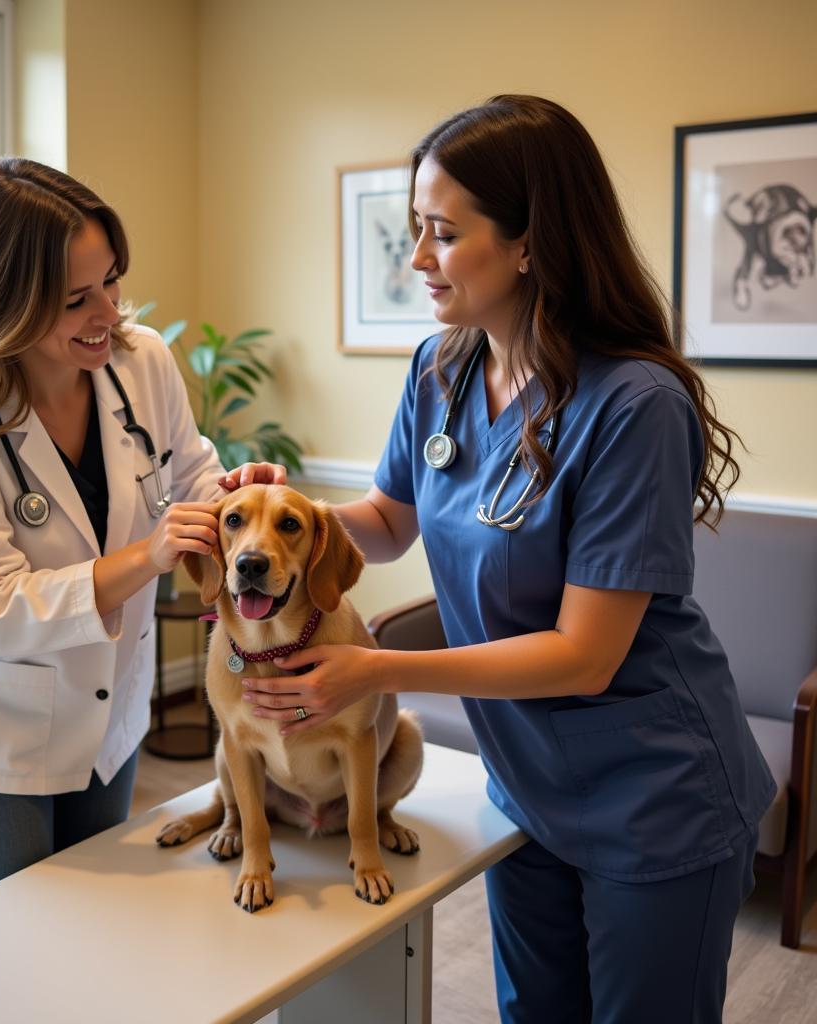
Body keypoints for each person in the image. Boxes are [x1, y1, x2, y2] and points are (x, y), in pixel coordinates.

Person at [236, 96, 776, 1023]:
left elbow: (584, 654)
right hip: (526, 781)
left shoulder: (632, 405)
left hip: (654, 792)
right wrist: (283, 522)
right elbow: (388, 520)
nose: (416, 259)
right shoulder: (441, 370)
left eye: (443, 233)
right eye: (416, 230)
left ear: (531, 243)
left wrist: (372, 670)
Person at [0, 158, 283, 902]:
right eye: (77, 299)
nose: (110, 312)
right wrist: (151, 553)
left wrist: (233, 500)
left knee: (97, 924)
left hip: (110, 713)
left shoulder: (142, 362)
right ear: (2, 301)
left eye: (112, 280)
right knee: (8, 950)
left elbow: (191, 475)